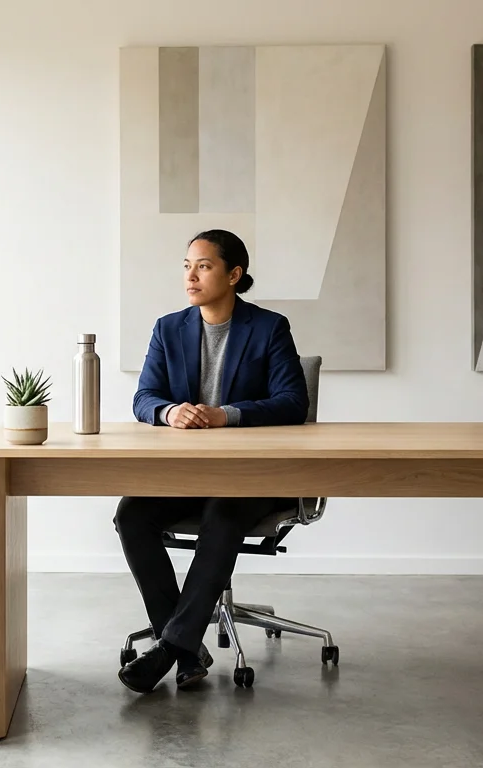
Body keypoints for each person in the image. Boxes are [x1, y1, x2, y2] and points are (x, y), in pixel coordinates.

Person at [115, 229, 309, 693]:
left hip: (251, 478)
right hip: (187, 474)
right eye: (187, 266)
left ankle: (171, 647)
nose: (191, 276)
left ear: (234, 274)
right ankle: (183, 647)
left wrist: (227, 415)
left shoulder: (269, 327)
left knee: (225, 509)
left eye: (203, 266)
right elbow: (143, 397)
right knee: (131, 514)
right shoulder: (168, 328)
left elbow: (292, 402)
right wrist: (168, 411)